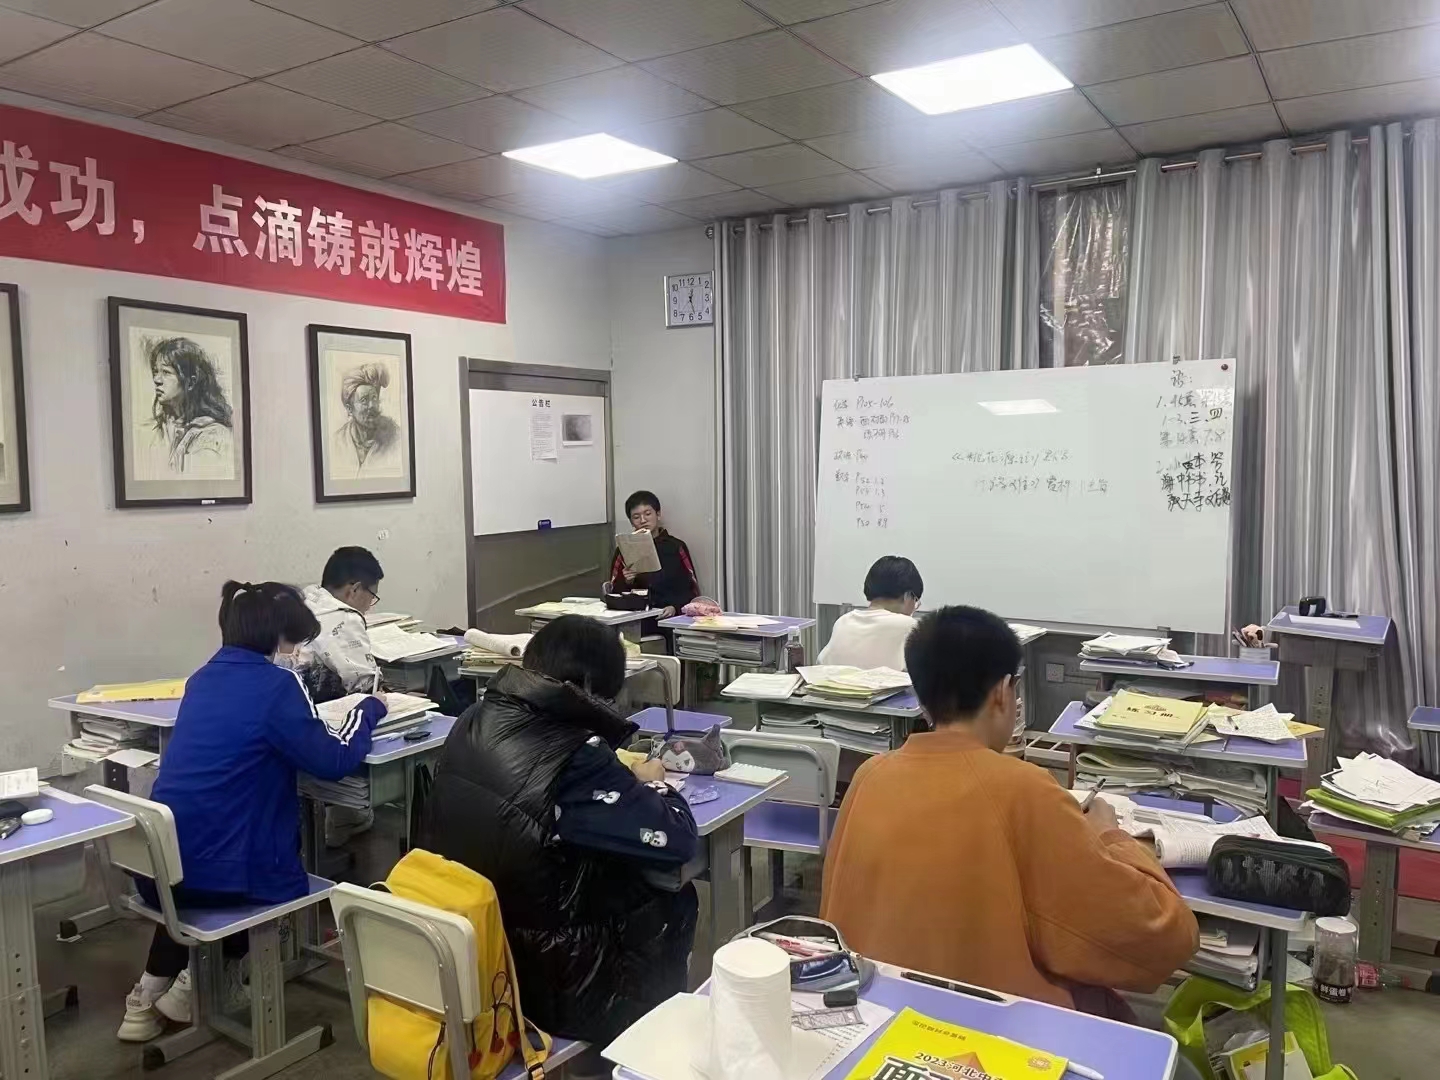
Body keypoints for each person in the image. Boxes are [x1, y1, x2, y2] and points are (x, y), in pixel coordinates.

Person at [820, 605, 1197, 1016]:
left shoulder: (870, 775)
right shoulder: (1024, 787)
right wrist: (1111, 835)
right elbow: (1159, 936)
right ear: (1003, 692)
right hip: (990, 1025)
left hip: (873, 1011)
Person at [119, 581, 384, 1042]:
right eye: (294, 644)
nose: (296, 654)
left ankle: (145, 1000)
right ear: (277, 637)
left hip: (162, 873)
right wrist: (368, 709)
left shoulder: (200, 679)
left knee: (207, 842)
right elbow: (332, 760)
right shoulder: (278, 684)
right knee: (264, 854)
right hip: (234, 877)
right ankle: (194, 988)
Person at [423, 615, 699, 1048]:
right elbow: (676, 839)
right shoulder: (577, 756)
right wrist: (656, 784)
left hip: (470, 949)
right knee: (673, 892)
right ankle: (643, 1047)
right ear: (587, 686)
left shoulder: (475, 717)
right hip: (552, 982)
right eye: (610, 693)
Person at [294, 546, 385, 846]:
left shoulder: (301, 604)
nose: (370, 605)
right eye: (372, 596)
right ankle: (347, 814)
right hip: (326, 732)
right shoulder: (343, 618)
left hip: (292, 723)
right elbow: (364, 682)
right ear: (353, 589)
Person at [144, 336, 235, 478]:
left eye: (166, 372)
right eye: (156, 371)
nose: (157, 379)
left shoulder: (212, 434)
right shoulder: (155, 429)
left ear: (191, 382)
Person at [818, 555, 923, 670]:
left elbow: (821, 662)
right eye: (916, 601)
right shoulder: (911, 627)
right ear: (908, 596)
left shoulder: (844, 621)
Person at [608, 490, 700, 619]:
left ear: (658, 514)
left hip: (671, 617)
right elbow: (613, 593)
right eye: (636, 517)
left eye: (647, 514)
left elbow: (692, 589)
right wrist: (627, 581)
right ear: (631, 521)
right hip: (637, 618)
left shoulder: (676, 547)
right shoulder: (624, 549)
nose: (643, 520)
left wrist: (675, 607)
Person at [334, 363, 403, 478]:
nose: (372, 405)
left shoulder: (396, 438)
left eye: (374, 398)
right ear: (349, 408)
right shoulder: (337, 442)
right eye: (364, 400)